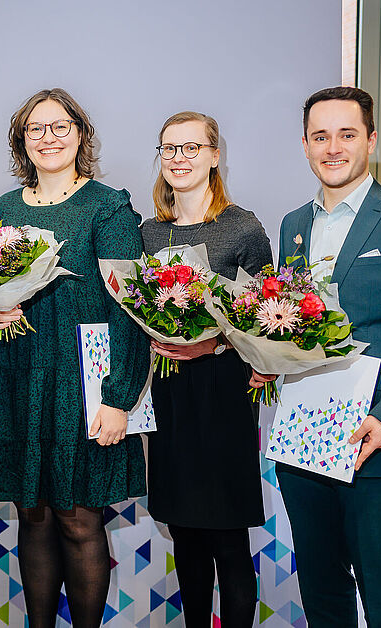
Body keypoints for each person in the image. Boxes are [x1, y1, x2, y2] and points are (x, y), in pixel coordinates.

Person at [255, 86, 381, 627]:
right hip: (304, 441)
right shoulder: (293, 226)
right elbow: (295, 325)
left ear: (371, 139)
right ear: (305, 145)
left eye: (347, 134)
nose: (333, 148)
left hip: (375, 443)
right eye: (320, 136)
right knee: (322, 596)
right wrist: (269, 361)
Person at [0, 88, 150, 628]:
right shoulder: (0, 212)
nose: (48, 138)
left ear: (80, 135)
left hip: (86, 386)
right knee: (33, 518)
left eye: (60, 127)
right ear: (21, 141)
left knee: (78, 521)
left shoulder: (107, 207)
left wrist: (119, 398)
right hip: (20, 381)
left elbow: (130, 310)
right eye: (36, 129)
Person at [139, 111, 272, 627]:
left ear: (215, 156)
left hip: (224, 394)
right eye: (170, 148)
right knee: (186, 535)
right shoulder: (149, 233)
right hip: (171, 395)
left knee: (228, 540)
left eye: (192, 148)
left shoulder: (243, 227)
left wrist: (212, 344)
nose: (180, 158)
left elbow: (267, 317)